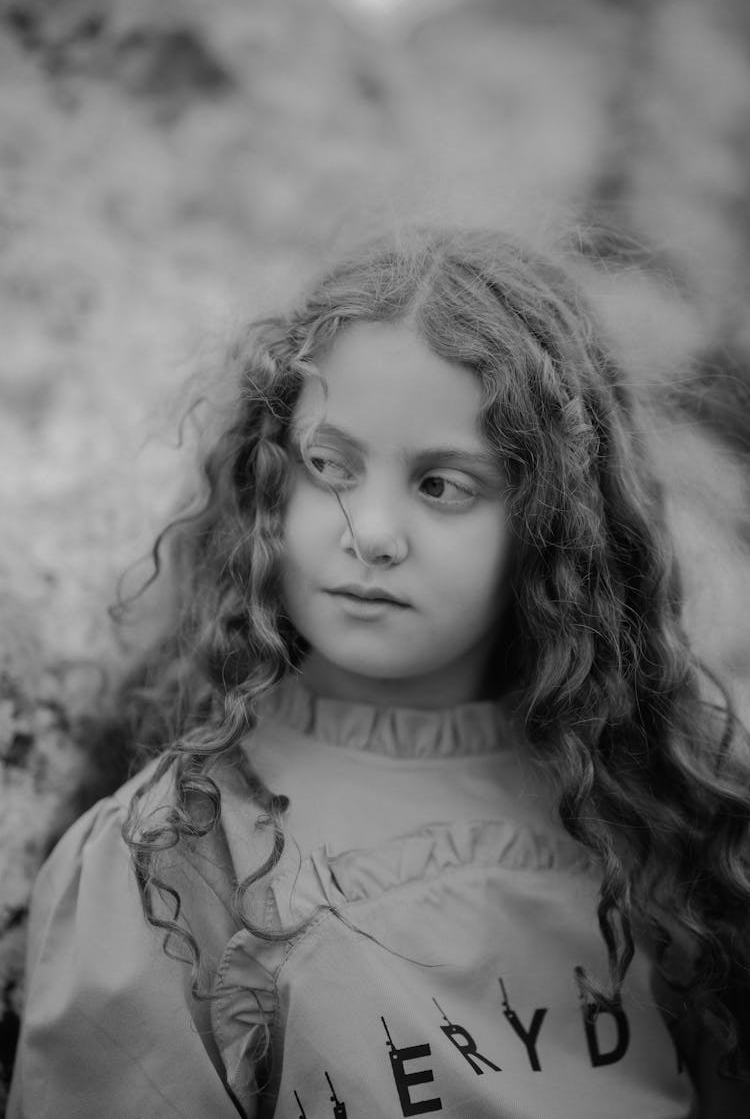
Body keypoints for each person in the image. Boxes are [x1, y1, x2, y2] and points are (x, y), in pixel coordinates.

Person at [8, 225, 750, 1119]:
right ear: (269, 482)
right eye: (329, 467)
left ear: (553, 524)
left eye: (442, 484)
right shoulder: (176, 859)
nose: (372, 530)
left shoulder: (653, 806)